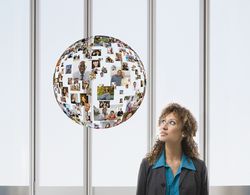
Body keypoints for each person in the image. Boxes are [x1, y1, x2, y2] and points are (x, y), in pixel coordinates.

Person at [136, 103, 208, 195]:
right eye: (163, 121)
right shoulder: (147, 164)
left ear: (184, 132)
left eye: (172, 122)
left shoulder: (199, 167)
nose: (164, 127)